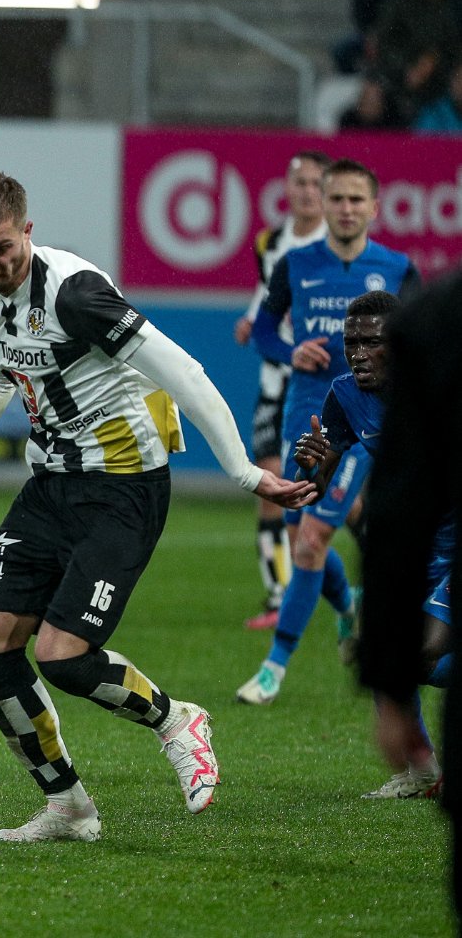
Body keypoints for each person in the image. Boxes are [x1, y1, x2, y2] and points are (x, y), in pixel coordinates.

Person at [0, 171, 314, 843]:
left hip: (123, 487)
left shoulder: (76, 294)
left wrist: (243, 473)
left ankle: (177, 721)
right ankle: (68, 807)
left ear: (27, 232)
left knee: (62, 656)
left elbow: (187, 374)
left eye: (0, 247)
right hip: (51, 485)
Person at [237, 158, 420, 705]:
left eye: (355, 199)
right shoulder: (295, 264)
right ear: (322, 201)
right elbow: (263, 332)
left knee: (313, 539)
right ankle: (347, 605)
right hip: (307, 415)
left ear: (374, 207)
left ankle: (273, 667)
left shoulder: (396, 269)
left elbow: (419, 342)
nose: (345, 208)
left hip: (363, 422)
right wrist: (291, 350)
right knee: (302, 539)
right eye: (336, 198)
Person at [292, 290, 450, 798]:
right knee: (382, 646)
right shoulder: (344, 394)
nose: (358, 354)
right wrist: (311, 467)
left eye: (371, 343)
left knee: (419, 653)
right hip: (418, 549)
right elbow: (321, 483)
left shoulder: (440, 383)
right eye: (351, 343)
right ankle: (421, 772)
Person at [359, 273, 462, 916]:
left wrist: (390, 680)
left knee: (425, 651)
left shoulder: (438, 320)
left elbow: (397, 514)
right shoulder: (430, 326)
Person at [236, 151, 331, 630]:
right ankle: (279, 595)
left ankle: (357, 594)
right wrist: (253, 319)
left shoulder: (336, 245)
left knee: (343, 497)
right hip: (276, 380)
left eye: (316, 183)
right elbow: (267, 291)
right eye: (300, 183)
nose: (308, 192)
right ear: (287, 189)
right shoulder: (269, 241)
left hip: (323, 385)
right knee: (269, 479)